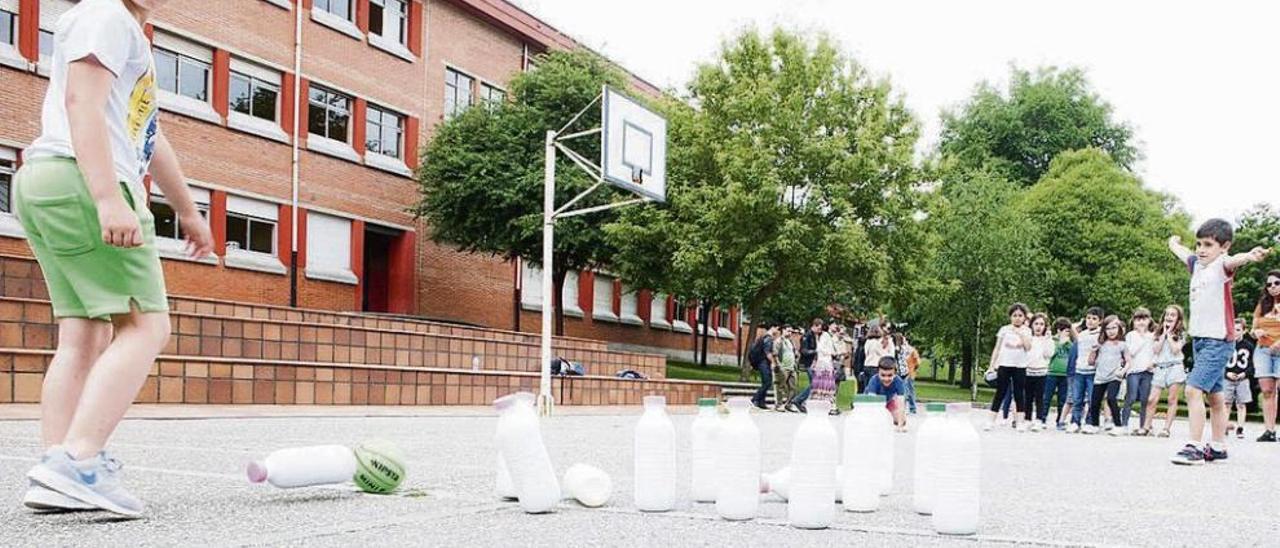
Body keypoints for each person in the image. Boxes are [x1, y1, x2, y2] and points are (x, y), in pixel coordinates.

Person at [14, 0, 214, 517]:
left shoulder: (125, 31)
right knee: (146, 326)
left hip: (50, 180)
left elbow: (148, 136)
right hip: (82, 181)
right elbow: (82, 102)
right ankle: (79, 463)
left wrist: (188, 210)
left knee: (85, 330)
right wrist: (106, 197)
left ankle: (55, 465)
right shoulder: (106, 14)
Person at [1167, 223, 1270, 465]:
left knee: (1193, 390)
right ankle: (1218, 446)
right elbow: (1185, 254)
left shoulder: (1221, 267)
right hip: (1200, 340)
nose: (1202, 250)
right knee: (1215, 398)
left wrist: (1250, 256)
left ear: (1223, 247)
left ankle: (1194, 446)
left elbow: (1234, 261)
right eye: (1199, 244)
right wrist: (1173, 244)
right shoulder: (1196, 266)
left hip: (1218, 340)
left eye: (1208, 245)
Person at [984, 303, 1031, 431]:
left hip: (1020, 366)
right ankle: (991, 420)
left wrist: (1020, 333)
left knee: (1019, 393)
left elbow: (1028, 347)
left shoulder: (1027, 330)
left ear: (1024, 317)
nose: (1017, 318)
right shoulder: (1004, 329)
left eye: (1020, 315)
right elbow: (997, 348)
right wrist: (992, 365)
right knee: (1000, 392)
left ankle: (1020, 421)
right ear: (1010, 317)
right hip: (1004, 364)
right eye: (1014, 315)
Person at [1146, 305, 1188, 438]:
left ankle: (1166, 428)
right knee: (1152, 399)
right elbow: (1156, 350)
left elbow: (1176, 350)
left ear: (1178, 319)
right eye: (1167, 314)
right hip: (1160, 367)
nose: (1169, 317)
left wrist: (1170, 335)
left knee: (1172, 398)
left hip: (1174, 367)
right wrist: (1163, 334)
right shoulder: (1158, 333)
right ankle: (1147, 426)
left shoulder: (1181, 334)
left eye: (1173, 315)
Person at [1250, 270, 1280, 442]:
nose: (1273, 287)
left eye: (1276, 283)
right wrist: (1256, 332)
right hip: (1263, 350)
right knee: (1267, 391)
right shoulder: (1263, 304)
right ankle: (1269, 430)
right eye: (1269, 284)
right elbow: (1253, 330)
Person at [1087, 315, 1128, 435]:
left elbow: (1129, 361)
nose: (1111, 331)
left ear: (1119, 328)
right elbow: (1090, 362)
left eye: (1114, 328)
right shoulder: (1100, 344)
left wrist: (1122, 371)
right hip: (1100, 376)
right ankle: (1094, 424)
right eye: (1108, 328)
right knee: (1094, 401)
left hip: (1114, 376)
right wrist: (1093, 351)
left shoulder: (1122, 344)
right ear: (1104, 330)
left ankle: (1118, 425)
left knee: (1111, 398)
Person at [1067, 307, 1105, 433]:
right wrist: (1077, 324)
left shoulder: (1101, 334)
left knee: (1092, 399)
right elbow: (1072, 330)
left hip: (1093, 371)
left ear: (1100, 321)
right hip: (1079, 370)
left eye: (1094, 319)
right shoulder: (1082, 334)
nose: (1090, 321)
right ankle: (1075, 421)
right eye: (1088, 318)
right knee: (1077, 398)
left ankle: (1091, 422)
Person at [1122, 308, 1157, 435]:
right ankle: (1124, 424)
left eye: (1144, 319)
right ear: (1134, 321)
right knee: (1130, 397)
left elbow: (1155, 352)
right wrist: (1141, 337)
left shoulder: (1153, 335)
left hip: (1148, 371)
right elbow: (1130, 352)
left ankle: (1144, 425)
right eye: (1138, 319)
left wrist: (1153, 363)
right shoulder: (1131, 335)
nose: (1141, 322)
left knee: (1145, 399)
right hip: (1133, 370)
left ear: (1149, 320)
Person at [1041, 317, 1077, 430]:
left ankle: (1059, 421)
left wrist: (1067, 343)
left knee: (1063, 399)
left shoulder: (1069, 343)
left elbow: (1074, 353)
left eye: (1068, 330)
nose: (1067, 332)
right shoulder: (1052, 341)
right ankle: (1042, 419)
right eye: (1065, 330)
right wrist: (1061, 343)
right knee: (1046, 397)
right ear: (1058, 330)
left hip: (1065, 375)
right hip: (1052, 373)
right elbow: (1051, 354)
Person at [1224, 318, 1255, 439]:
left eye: (1238, 330)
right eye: (1233, 329)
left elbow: (1252, 364)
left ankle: (1240, 428)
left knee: (1241, 404)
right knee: (1226, 403)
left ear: (1244, 330)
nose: (1235, 332)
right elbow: (1220, 362)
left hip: (1242, 378)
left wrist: (1245, 374)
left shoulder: (1249, 346)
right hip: (1228, 377)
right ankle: (1224, 426)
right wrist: (1226, 373)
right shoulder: (1226, 344)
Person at [1024, 314, 1054, 432]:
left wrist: (1047, 339)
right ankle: (1027, 419)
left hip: (1041, 372)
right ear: (1031, 325)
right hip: (1028, 371)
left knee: (1040, 397)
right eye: (1036, 324)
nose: (1038, 327)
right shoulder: (1029, 338)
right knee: (1028, 397)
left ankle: (1039, 420)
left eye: (1041, 324)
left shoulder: (1047, 340)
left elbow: (1048, 354)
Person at [788, 318, 823, 413]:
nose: (820, 330)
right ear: (815, 325)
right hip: (806, 363)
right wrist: (815, 351)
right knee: (815, 383)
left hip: (811, 363)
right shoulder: (807, 336)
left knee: (815, 383)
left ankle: (799, 401)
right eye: (819, 328)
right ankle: (798, 400)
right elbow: (803, 351)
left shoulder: (813, 336)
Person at [864, 357, 908, 431]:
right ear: (878, 373)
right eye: (883, 375)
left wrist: (900, 426)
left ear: (895, 374)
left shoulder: (899, 382)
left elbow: (901, 404)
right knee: (874, 420)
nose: (886, 379)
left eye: (890, 375)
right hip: (872, 403)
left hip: (888, 401)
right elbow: (872, 405)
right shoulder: (874, 380)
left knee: (902, 420)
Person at [810, 320, 839, 414]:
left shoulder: (828, 336)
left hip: (825, 361)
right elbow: (821, 349)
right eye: (834, 325)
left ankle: (826, 404)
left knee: (825, 384)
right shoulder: (825, 335)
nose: (836, 326)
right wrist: (832, 352)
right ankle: (827, 405)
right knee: (825, 384)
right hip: (824, 362)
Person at [749, 325, 778, 410]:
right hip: (763, 363)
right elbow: (767, 353)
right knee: (767, 382)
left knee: (765, 382)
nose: (777, 331)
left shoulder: (764, 337)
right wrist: (773, 363)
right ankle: (754, 399)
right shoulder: (768, 339)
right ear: (773, 328)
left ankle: (762, 403)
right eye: (777, 328)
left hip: (762, 363)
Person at [862, 325, 895, 395]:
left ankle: (864, 399)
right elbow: (882, 353)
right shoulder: (876, 343)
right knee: (874, 386)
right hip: (875, 365)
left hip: (867, 365)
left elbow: (865, 353)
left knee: (867, 385)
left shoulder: (867, 342)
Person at [772, 327, 799, 412]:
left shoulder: (791, 341)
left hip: (792, 367)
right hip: (783, 367)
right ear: (783, 331)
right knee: (780, 386)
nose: (790, 332)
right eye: (788, 330)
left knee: (793, 387)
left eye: (791, 331)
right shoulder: (779, 341)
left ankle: (789, 404)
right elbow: (775, 354)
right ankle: (779, 404)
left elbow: (794, 353)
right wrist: (778, 365)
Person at [899, 334, 921, 415]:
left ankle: (910, 408)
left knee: (906, 391)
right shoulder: (911, 350)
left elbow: (918, 362)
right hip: (910, 373)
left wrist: (914, 368)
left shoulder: (909, 350)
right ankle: (911, 408)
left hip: (907, 373)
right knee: (909, 391)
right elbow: (918, 362)